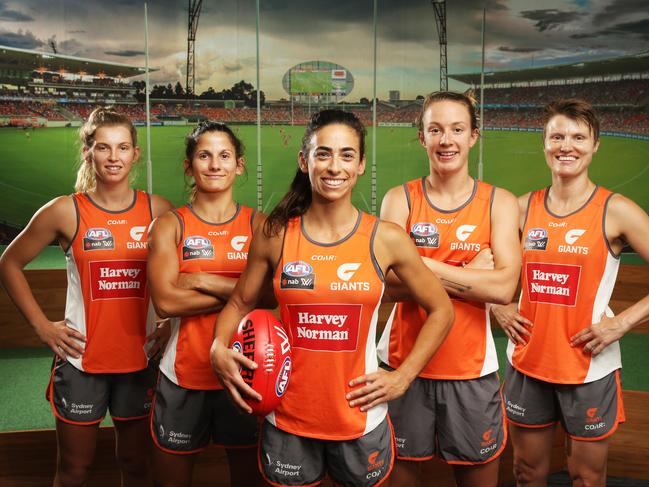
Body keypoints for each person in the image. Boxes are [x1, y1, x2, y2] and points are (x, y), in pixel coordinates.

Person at [209, 109, 454, 487]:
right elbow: (240, 303)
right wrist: (217, 348)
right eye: (323, 154)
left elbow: (441, 309)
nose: (334, 166)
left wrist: (403, 377)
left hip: (360, 417)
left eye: (346, 155)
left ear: (360, 164)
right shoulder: (276, 233)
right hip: (287, 414)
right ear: (304, 161)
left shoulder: (384, 238)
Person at [0, 107, 173, 487]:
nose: (114, 158)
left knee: (136, 463)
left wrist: (169, 323)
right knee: (75, 470)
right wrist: (42, 327)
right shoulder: (66, 211)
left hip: (139, 359)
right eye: (103, 148)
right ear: (88, 152)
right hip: (81, 361)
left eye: (123, 147)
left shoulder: (158, 210)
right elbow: (8, 263)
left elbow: (181, 276)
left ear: (135, 154)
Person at [491, 98, 649, 486]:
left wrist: (622, 323)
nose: (567, 146)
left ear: (595, 145)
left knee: (586, 476)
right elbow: (482, 265)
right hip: (528, 362)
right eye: (557, 136)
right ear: (544, 143)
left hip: (589, 367)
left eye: (579, 137)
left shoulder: (617, 210)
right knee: (527, 473)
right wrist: (499, 305)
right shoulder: (522, 207)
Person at [377, 91, 521, 487]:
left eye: (457, 129)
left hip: (471, 371)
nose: (446, 140)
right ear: (421, 137)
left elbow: (504, 286)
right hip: (403, 367)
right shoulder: (399, 199)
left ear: (473, 135)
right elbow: (385, 284)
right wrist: (470, 276)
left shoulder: (500, 203)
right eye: (435, 129)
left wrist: (415, 266)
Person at [146, 121, 265, 487]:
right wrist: (243, 294)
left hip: (245, 373)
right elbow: (165, 302)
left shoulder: (260, 225)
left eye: (224, 155)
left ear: (239, 165)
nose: (215, 164)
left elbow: (273, 298)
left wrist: (201, 280)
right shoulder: (169, 226)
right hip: (183, 377)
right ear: (189, 165)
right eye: (204, 155)